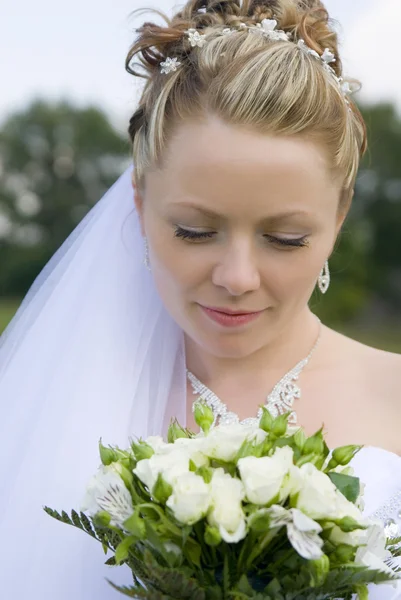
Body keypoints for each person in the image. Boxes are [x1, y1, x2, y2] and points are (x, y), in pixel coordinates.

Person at [0, 0, 400, 597]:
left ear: (338, 218)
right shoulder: (40, 405)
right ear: (139, 203)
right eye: (194, 231)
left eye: (284, 239)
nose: (237, 277)